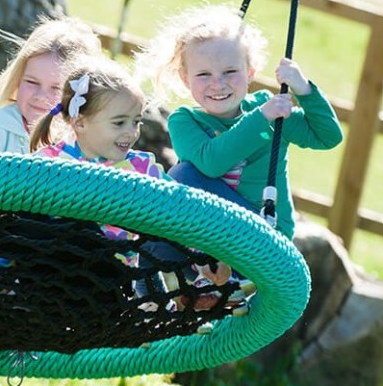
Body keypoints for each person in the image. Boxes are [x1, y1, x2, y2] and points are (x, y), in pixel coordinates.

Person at [26, 55, 232, 312]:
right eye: (119, 122)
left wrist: (203, 256)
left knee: (89, 238)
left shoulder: (140, 169)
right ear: (80, 122)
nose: (131, 132)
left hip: (106, 283)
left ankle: (156, 312)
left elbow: (179, 210)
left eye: (136, 122)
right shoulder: (47, 163)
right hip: (48, 277)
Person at [138, 3, 344, 241]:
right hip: (212, 227)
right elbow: (211, 163)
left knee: (182, 175)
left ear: (250, 72)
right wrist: (261, 118)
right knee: (182, 176)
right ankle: (156, 276)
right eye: (204, 74)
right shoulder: (185, 121)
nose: (218, 84)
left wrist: (303, 89)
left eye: (230, 72)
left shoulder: (269, 111)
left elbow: (327, 136)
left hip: (265, 231)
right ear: (186, 79)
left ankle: (224, 272)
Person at [0, 16, 103, 153]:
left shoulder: (87, 142)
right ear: (18, 79)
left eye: (56, 88)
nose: (41, 96)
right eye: (32, 82)